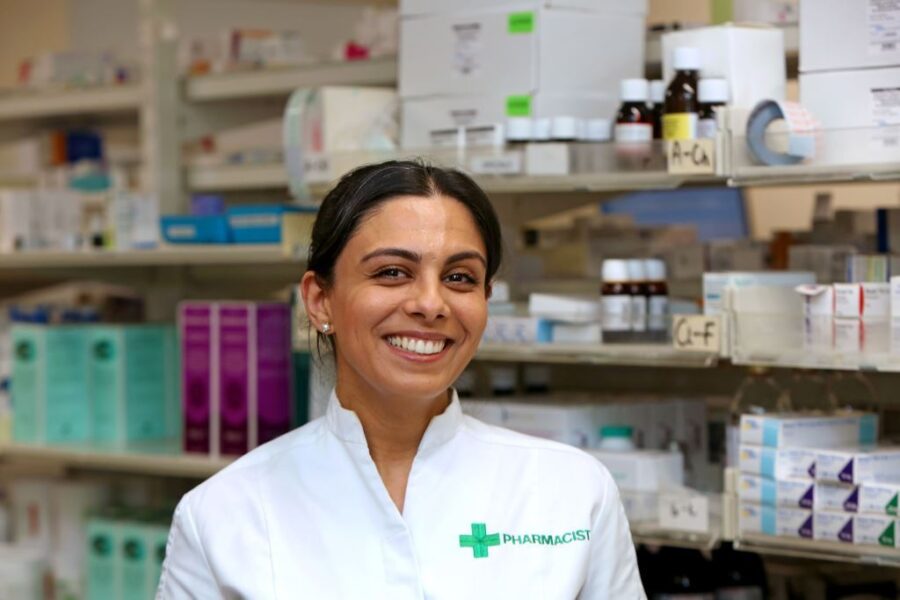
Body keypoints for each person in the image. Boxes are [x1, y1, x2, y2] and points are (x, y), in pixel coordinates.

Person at [158, 160, 645, 599]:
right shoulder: (223, 515)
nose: (431, 304)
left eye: (459, 278)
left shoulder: (572, 491)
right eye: (392, 272)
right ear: (319, 300)